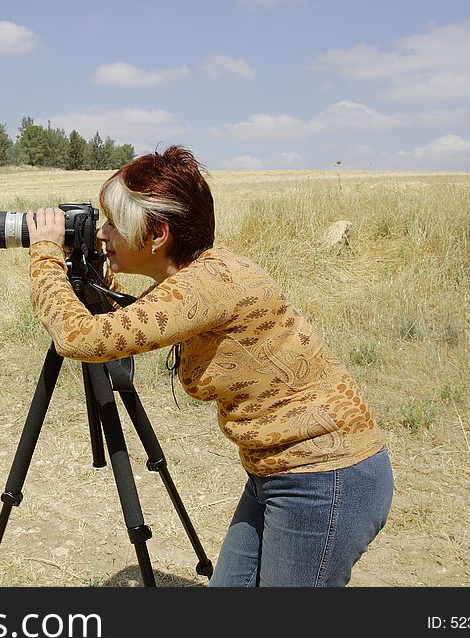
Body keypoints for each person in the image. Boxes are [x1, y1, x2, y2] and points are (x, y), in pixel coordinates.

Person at [25, 145, 393, 587]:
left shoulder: (205, 286)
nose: (102, 234)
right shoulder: (199, 277)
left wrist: (45, 255)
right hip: (274, 473)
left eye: (112, 224)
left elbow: (80, 338)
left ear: (156, 234)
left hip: (324, 478)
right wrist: (95, 283)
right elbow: (136, 320)